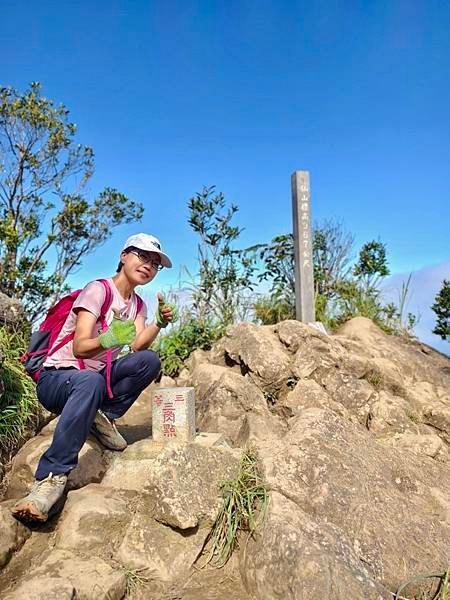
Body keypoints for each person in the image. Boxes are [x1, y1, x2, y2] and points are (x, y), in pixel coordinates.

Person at [12, 233, 177, 523]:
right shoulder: (97, 290)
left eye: (155, 263)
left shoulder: (137, 305)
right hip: (57, 380)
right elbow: (80, 346)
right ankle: (50, 478)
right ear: (125, 255)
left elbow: (138, 346)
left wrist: (158, 324)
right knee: (91, 381)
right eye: (142, 256)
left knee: (149, 361)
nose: (148, 265)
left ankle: (104, 417)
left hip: (93, 382)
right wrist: (109, 338)